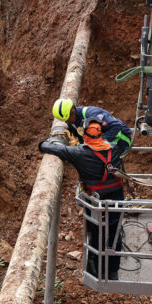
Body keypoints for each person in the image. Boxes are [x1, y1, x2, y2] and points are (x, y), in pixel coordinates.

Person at [39, 115, 127, 281]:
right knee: (115, 233)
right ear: (100, 133)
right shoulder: (113, 149)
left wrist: (54, 138)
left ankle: (97, 272)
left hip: (96, 201)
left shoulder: (79, 153)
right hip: (116, 198)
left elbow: (47, 147)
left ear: (85, 133)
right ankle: (113, 271)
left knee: (96, 234)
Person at [51, 98, 133, 155]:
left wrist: (99, 143)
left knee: (95, 163)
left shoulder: (92, 114)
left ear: (73, 111)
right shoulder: (72, 119)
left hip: (120, 141)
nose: (67, 122)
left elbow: (116, 126)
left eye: (67, 120)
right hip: (102, 141)